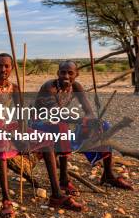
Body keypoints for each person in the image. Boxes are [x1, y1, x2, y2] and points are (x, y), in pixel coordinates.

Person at [0, 54, 84, 218]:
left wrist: (22, 132)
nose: (3, 69)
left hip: (10, 124)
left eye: (7, 66)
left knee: (46, 141)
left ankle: (56, 195)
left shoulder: (15, 88)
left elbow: (20, 116)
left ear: (12, 68)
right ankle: (6, 200)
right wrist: (8, 133)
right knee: (2, 142)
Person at [33, 60, 133, 196]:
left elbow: (89, 112)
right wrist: (82, 120)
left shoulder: (76, 87)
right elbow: (55, 113)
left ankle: (108, 175)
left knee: (103, 125)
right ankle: (63, 179)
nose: (66, 76)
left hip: (61, 121)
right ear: (58, 73)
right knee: (62, 128)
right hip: (39, 123)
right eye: (63, 72)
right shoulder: (49, 87)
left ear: (77, 74)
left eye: (70, 73)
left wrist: (92, 121)